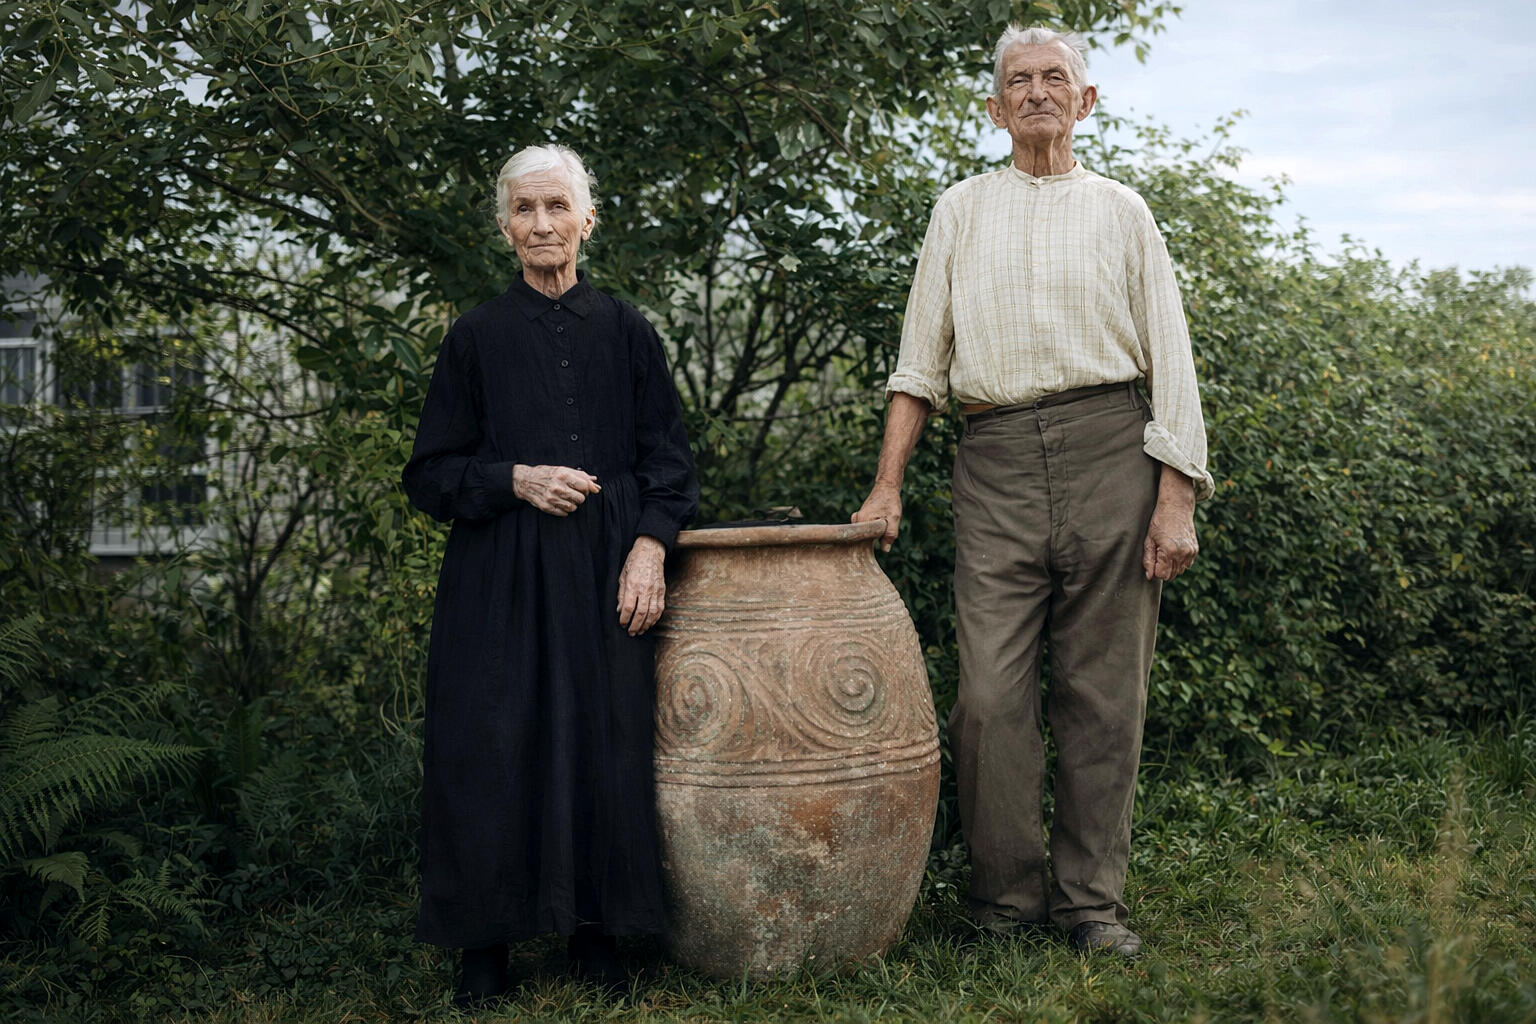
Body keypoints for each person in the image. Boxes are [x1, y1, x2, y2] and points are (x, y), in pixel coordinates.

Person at [852, 25, 1213, 959]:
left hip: (1111, 454)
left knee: (1104, 694)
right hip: (997, 457)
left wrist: (1175, 499)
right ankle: (1003, 903)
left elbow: (1170, 358)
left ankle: (1091, 904)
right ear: (995, 105)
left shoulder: (1123, 210)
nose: (1039, 92)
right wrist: (886, 486)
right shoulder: (959, 211)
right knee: (988, 696)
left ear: (1087, 101)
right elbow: (917, 362)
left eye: (1058, 78)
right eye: (1020, 80)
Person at [402, 144, 698, 1005]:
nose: (542, 224)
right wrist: (513, 479)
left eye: (556, 208)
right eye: (525, 210)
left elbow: (669, 461)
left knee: (601, 739)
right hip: (497, 577)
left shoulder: (628, 330)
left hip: (606, 573)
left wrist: (650, 548)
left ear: (586, 220)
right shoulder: (476, 338)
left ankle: (594, 932)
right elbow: (429, 473)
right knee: (490, 745)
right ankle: (482, 946)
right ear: (505, 228)